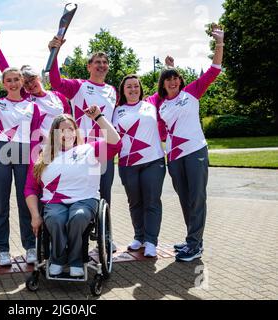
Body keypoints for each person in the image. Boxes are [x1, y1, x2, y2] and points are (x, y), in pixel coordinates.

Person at [148, 24, 224, 262]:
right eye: (167, 80)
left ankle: (195, 245)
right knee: (184, 198)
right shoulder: (160, 104)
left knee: (197, 197)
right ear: (162, 84)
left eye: (175, 79)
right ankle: (193, 240)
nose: (172, 82)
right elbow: (161, 131)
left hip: (194, 152)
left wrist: (219, 42)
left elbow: (214, 69)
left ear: (180, 81)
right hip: (174, 156)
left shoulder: (192, 92)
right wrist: (168, 68)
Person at [25, 106, 121, 277]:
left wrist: (98, 117)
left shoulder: (90, 149)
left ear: (76, 131)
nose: (67, 133)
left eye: (71, 129)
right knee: (55, 219)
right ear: (54, 134)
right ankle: (58, 259)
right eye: (62, 130)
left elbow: (116, 142)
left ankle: (76, 259)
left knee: (78, 216)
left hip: (85, 199)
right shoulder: (42, 157)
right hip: (54, 202)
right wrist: (35, 215)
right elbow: (30, 188)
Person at [0, 66, 41, 266]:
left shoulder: (33, 106)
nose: (13, 83)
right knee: (1, 202)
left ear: (22, 82)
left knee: (26, 200)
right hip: (2, 149)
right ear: (3, 83)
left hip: (25, 151)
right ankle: (2, 249)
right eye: (9, 80)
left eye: (17, 79)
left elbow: (35, 135)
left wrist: (35, 159)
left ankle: (30, 246)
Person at [47, 36, 117, 209]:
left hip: (105, 149)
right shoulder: (79, 85)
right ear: (89, 66)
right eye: (97, 62)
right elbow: (56, 82)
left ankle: (105, 235)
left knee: (105, 196)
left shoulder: (112, 90)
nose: (101, 65)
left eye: (104, 62)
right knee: (82, 195)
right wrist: (54, 54)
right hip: (82, 150)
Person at [0, 26, 71, 145]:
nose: (30, 85)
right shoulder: (26, 98)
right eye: (25, 83)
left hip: (63, 146)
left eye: (32, 79)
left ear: (39, 77)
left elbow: (69, 119)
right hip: (39, 149)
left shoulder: (58, 96)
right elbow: (7, 71)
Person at [113, 75, 166, 258]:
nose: (133, 89)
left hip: (153, 161)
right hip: (128, 164)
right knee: (135, 202)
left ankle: (151, 241)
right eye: (129, 86)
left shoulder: (150, 104)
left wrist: (167, 68)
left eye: (136, 86)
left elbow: (164, 87)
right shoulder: (116, 110)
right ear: (123, 90)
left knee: (151, 202)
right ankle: (139, 237)